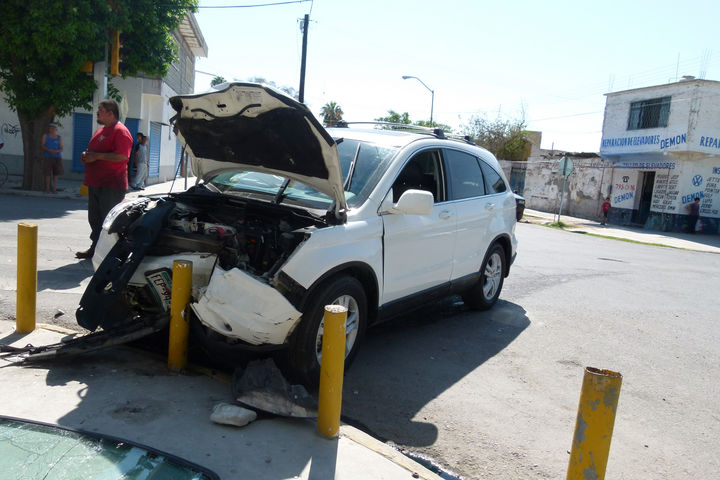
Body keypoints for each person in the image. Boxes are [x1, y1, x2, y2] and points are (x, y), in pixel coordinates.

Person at [75, 100, 133, 259]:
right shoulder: (101, 131)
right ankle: (95, 248)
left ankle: (112, 253)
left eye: (100, 110)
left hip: (111, 184)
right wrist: (87, 156)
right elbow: (94, 151)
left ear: (110, 113)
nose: (97, 112)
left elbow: (122, 156)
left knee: (109, 221)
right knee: (95, 219)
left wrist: (97, 156)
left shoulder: (120, 131)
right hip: (96, 182)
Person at [41, 123, 64, 194]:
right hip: (48, 156)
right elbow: (43, 145)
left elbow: (61, 147)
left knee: (56, 174)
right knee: (47, 173)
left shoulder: (59, 137)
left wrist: (57, 151)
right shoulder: (45, 136)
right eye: (51, 128)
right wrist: (49, 150)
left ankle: (54, 188)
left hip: (57, 157)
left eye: (54, 128)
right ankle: (47, 188)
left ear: (56, 129)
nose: (52, 129)